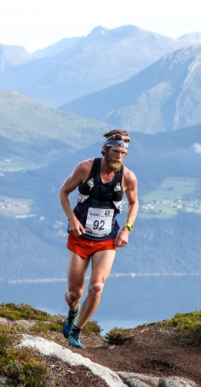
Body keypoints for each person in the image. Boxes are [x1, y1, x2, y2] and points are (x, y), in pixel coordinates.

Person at [58, 129, 139, 349]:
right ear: (106, 150)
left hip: (107, 240)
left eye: (123, 153)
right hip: (80, 237)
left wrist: (127, 229)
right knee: (75, 293)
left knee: (96, 287)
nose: (119, 156)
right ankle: (73, 312)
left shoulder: (128, 177)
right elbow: (63, 192)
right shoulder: (85, 168)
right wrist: (72, 219)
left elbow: (134, 203)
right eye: (115, 151)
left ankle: (76, 332)